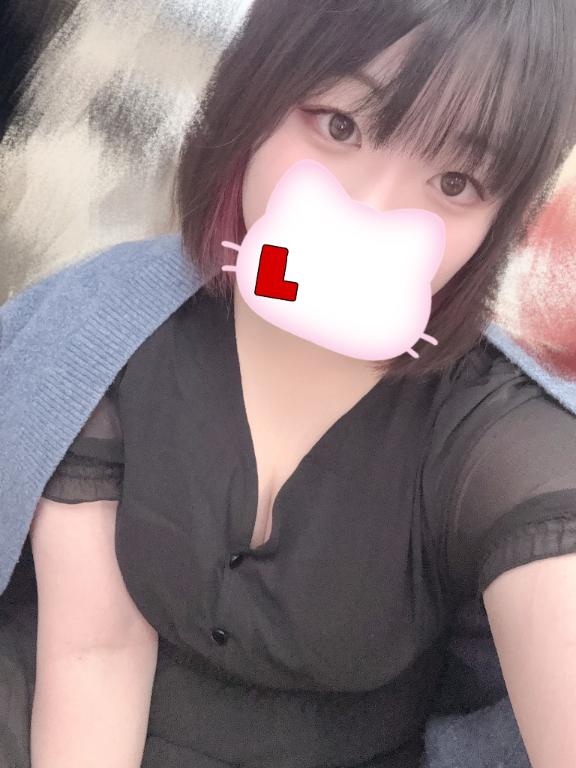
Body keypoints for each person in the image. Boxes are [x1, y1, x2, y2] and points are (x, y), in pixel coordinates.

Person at [1, 1, 576, 766]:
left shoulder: (499, 439)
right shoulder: (112, 333)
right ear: (255, 97)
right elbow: (92, 651)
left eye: (455, 181)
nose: (370, 209)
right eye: (340, 125)